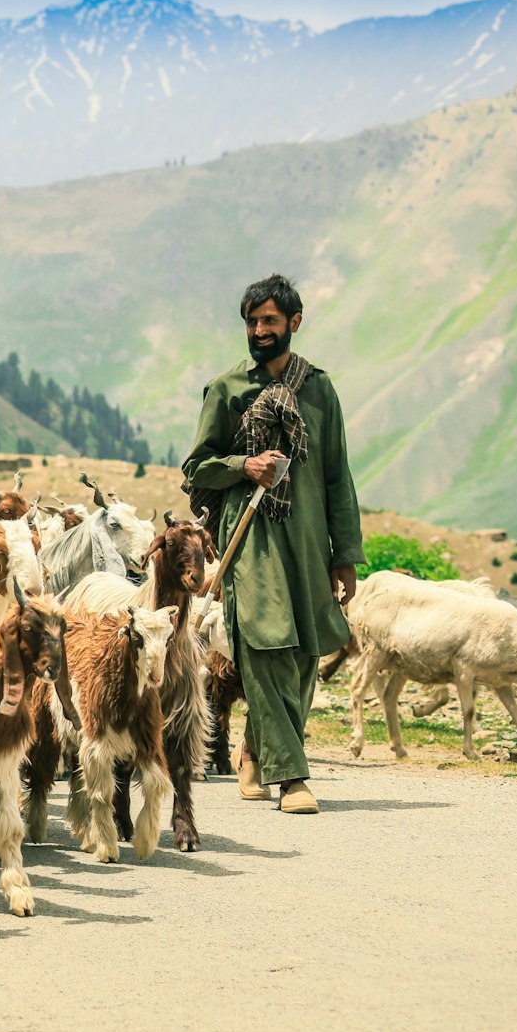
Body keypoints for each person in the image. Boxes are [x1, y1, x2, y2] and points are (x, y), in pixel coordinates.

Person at [183, 273, 362, 814]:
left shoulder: (318, 388)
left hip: (307, 539)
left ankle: (255, 751)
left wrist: (346, 554)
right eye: (252, 322)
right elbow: (197, 469)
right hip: (251, 535)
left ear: (294, 323)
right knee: (265, 644)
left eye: (269, 321)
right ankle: (293, 779)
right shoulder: (228, 388)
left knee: (309, 648)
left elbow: (337, 475)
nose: (259, 330)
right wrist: (244, 464)